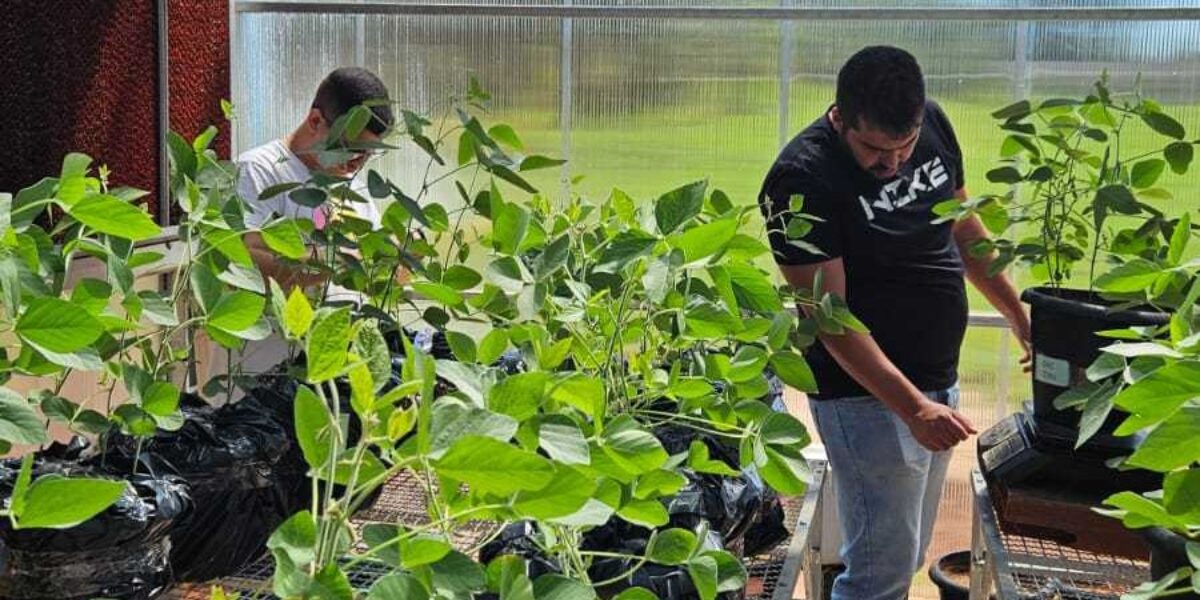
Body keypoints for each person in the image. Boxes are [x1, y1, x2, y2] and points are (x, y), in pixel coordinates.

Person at [758, 46, 1031, 600]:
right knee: (879, 570)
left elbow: (963, 227)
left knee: (904, 555)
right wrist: (913, 408)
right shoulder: (800, 180)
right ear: (840, 115)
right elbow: (830, 320)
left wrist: (1017, 313)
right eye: (876, 151)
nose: (894, 165)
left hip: (934, 384)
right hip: (867, 400)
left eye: (904, 147)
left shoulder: (930, 121)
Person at [237, 66, 394, 292]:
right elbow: (244, 261)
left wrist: (397, 253)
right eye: (349, 148)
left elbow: (377, 272)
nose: (356, 163)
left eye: (368, 153)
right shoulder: (259, 171)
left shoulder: (353, 186)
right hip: (287, 326)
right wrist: (333, 261)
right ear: (315, 120)